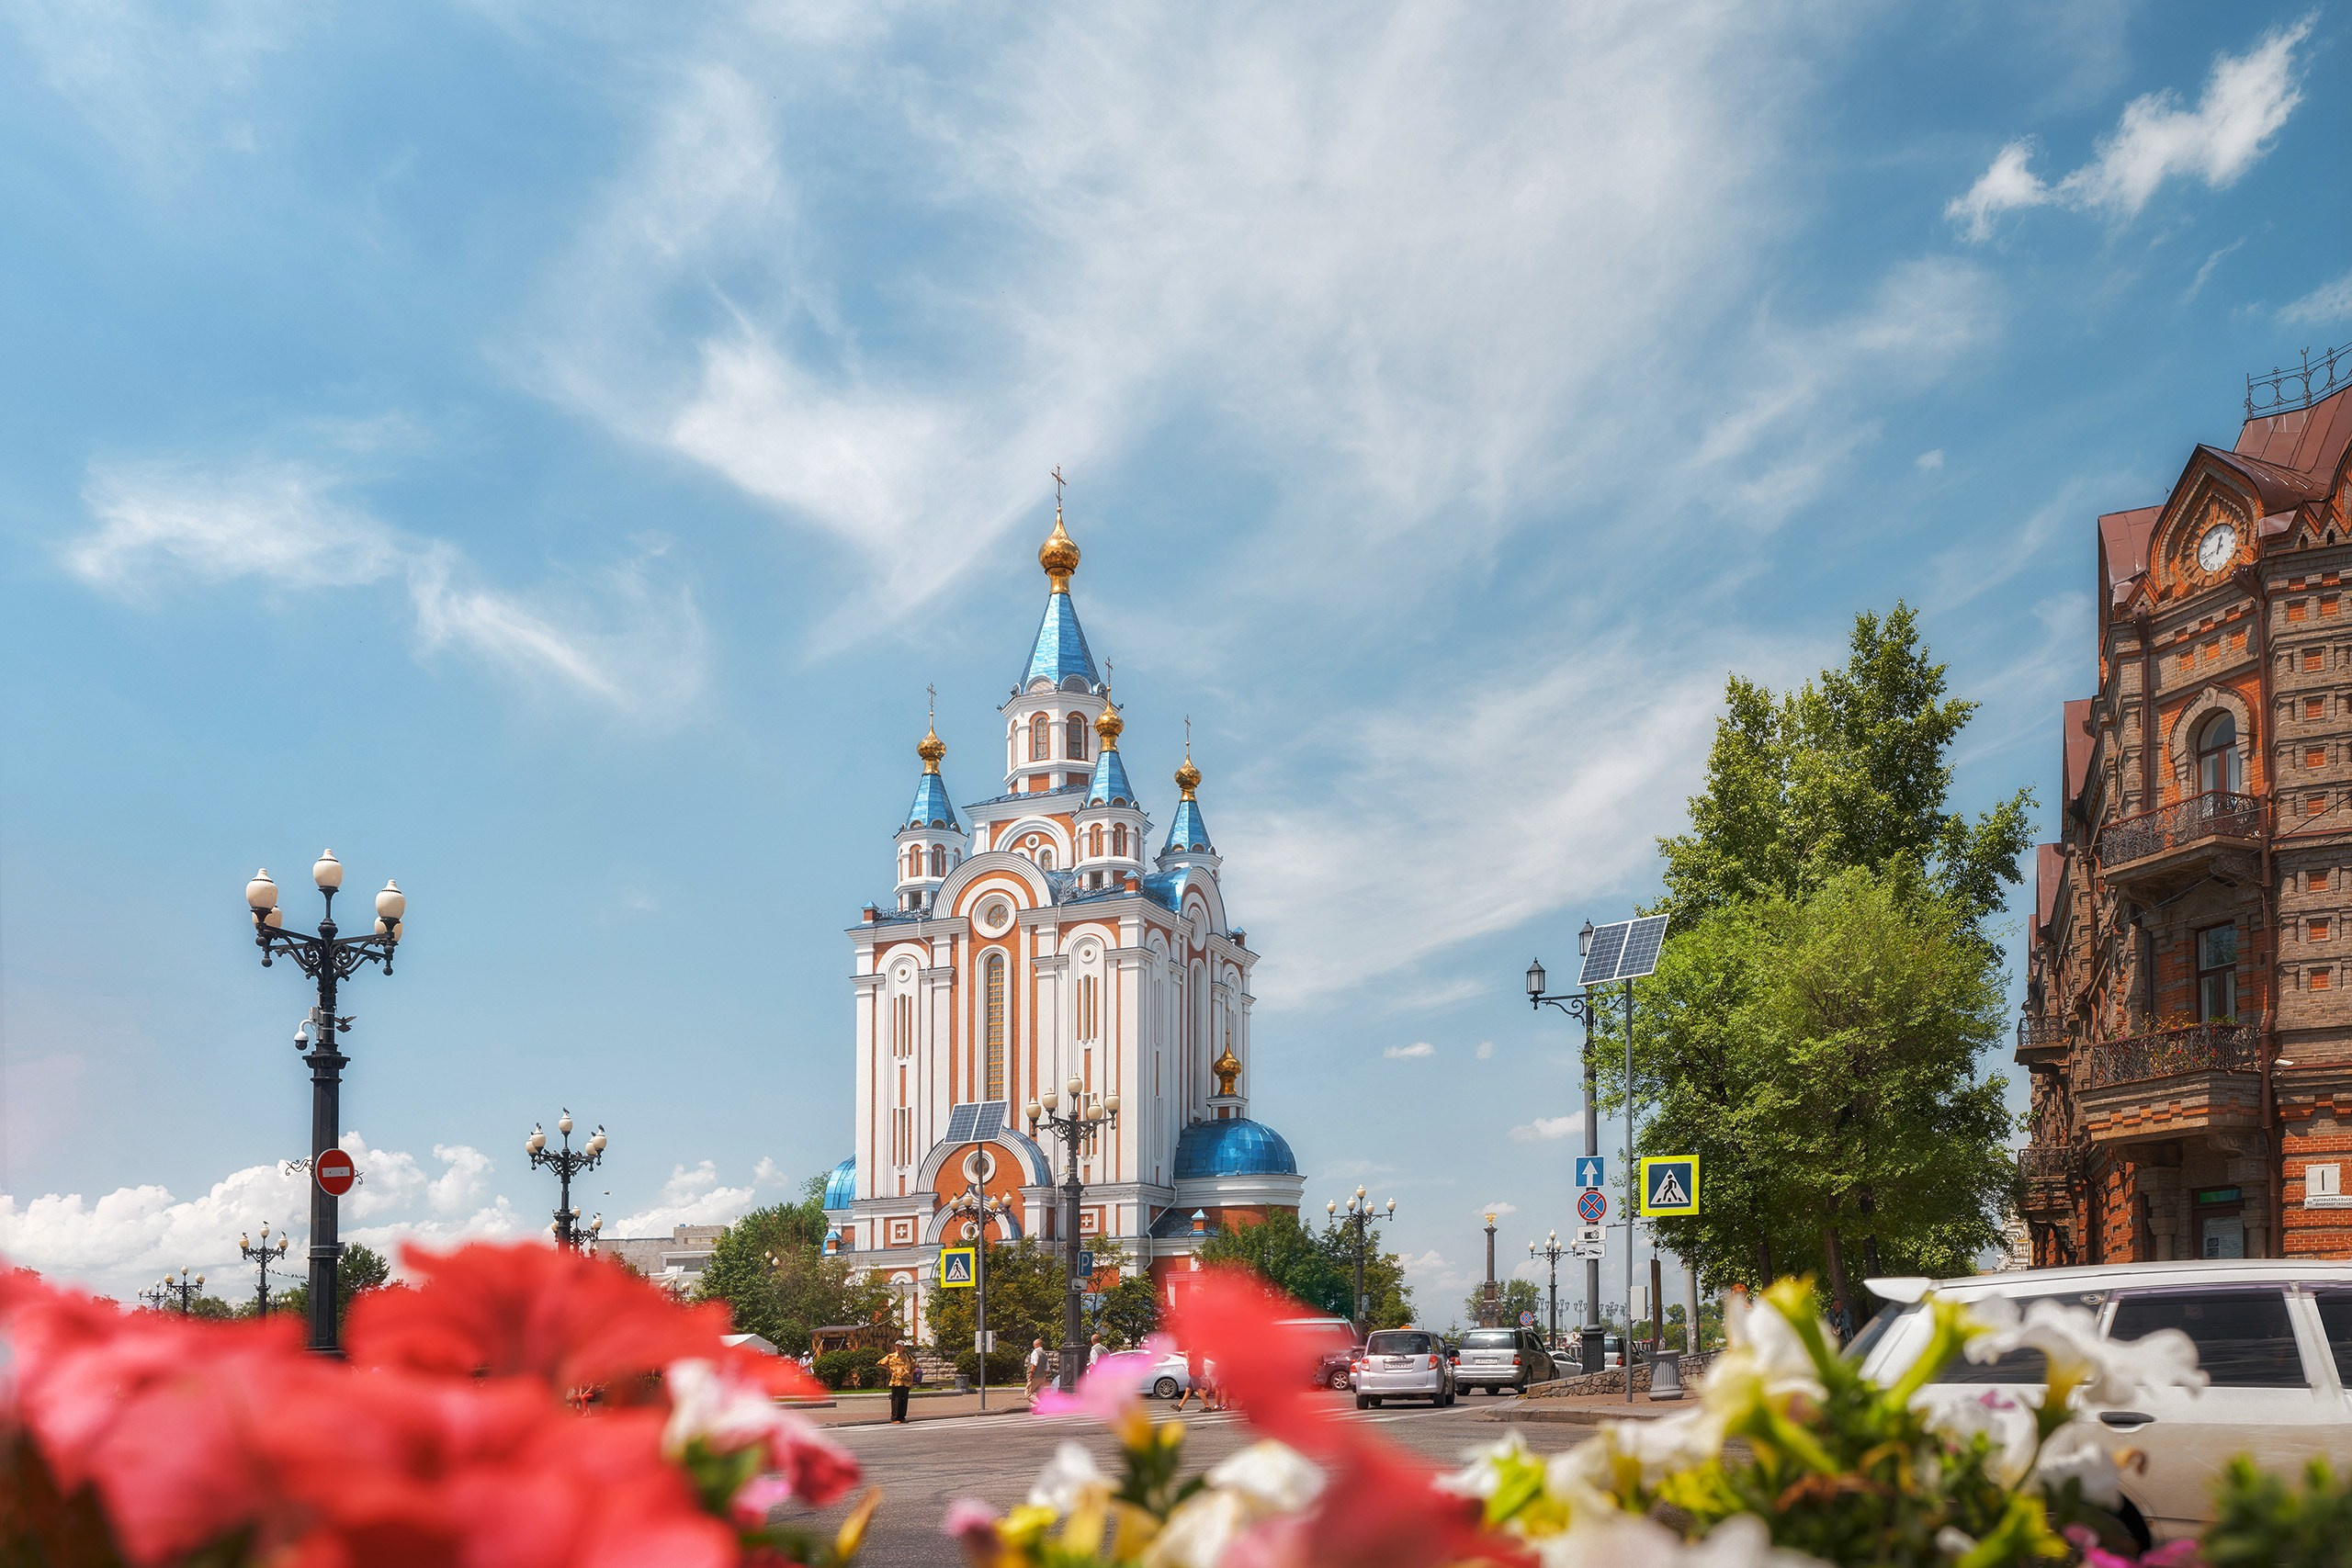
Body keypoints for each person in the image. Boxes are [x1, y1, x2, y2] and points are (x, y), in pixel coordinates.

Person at [881, 1339, 918, 1425]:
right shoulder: (891, 1356)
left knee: (904, 1400)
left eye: (900, 1346)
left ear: (903, 1347)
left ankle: (902, 1417)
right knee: (896, 1400)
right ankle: (894, 1418)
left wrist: (912, 1380)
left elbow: (912, 1368)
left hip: (906, 1381)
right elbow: (880, 1363)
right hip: (896, 1381)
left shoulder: (908, 1357)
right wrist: (890, 1369)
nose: (898, 1347)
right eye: (896, 1346)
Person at [1024, 1337, 1049, 1405]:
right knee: (1040, 1393)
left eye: (1034, 1345)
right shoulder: (1045, 1354)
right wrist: (1044, 1376)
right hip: (1042, 1377)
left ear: (1037, 1345)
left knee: (1028, 1393)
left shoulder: (1035, 1352)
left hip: (1035, 1376)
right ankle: (1036, 1408)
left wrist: (1031, 1373)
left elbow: (1034, 1364)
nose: (1034, 1347)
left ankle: (1040, 1404)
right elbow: (1047, 1368)